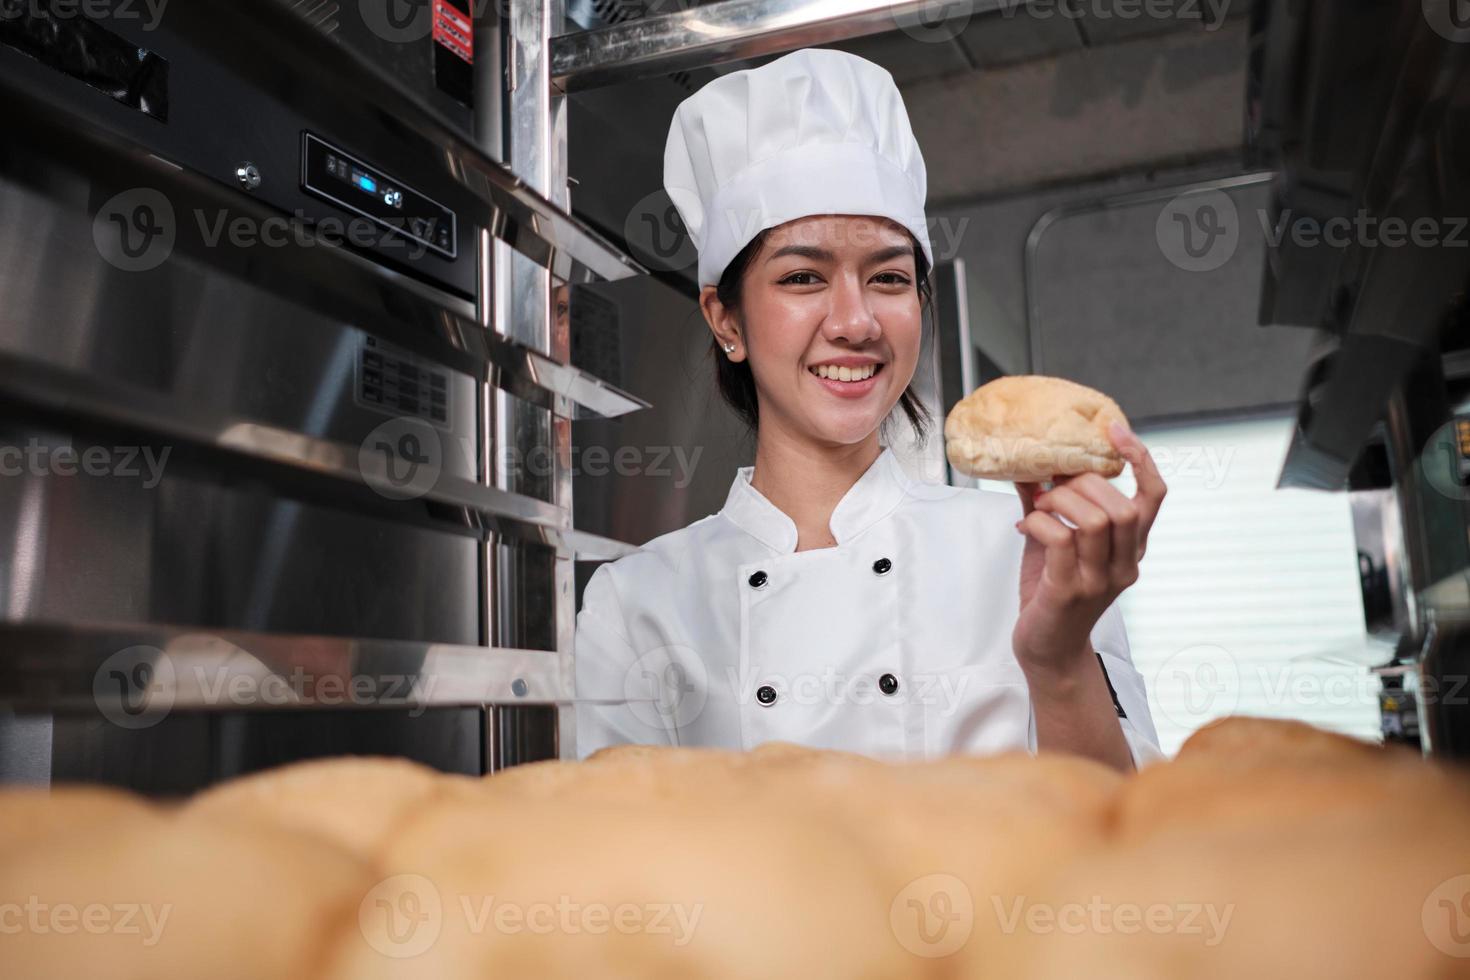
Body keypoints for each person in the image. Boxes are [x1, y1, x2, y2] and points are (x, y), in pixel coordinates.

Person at [574, 48, 1166, 772]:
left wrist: (1059, 660)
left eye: (888, 276)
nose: (856, 321)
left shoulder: (1030, 551)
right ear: (726, 320)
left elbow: (1125, 837)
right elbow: (612, 863)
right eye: (802, 276)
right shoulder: (639, 601)